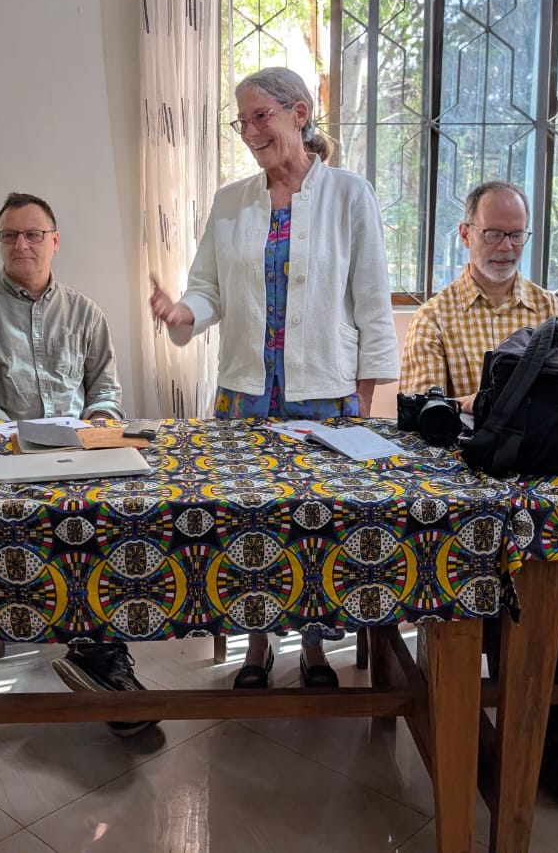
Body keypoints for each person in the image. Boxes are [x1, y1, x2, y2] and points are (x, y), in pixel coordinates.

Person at [149, 66, 399, 690]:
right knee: (249, 523)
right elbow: (207, 289)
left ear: (300, 113)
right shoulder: (231, 201)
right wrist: (182, 313)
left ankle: (314, 649)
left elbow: (372, 301)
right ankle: (256, 645)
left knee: (319, 524)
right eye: (242, 122)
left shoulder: (349, 194)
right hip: (246, 392)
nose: (251, 132)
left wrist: (364, 399)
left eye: (261, 116)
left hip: (327, 394)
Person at [401, 179, 558, 809]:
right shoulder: (435, 316)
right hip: (475, 489)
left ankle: (555, 713)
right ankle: (535, 722)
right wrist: (503, 405)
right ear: (465, 234)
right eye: (493, 233)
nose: (505, 246)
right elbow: (425, 417)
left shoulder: (553, 310)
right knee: (506, 562)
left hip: (546, 479)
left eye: (516, 234)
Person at [0, 192, 152, 738]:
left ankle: (98, 650)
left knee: (117, 522)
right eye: (10, 235)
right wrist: (21, 442)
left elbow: (106, 390)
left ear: (55, 241)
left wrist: (97, 428)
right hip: (4, 458)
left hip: (80, 454)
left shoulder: (85, 312)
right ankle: (101, 659)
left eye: (33, 234)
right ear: (0, 243)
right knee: (44, 527)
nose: (22, 244)